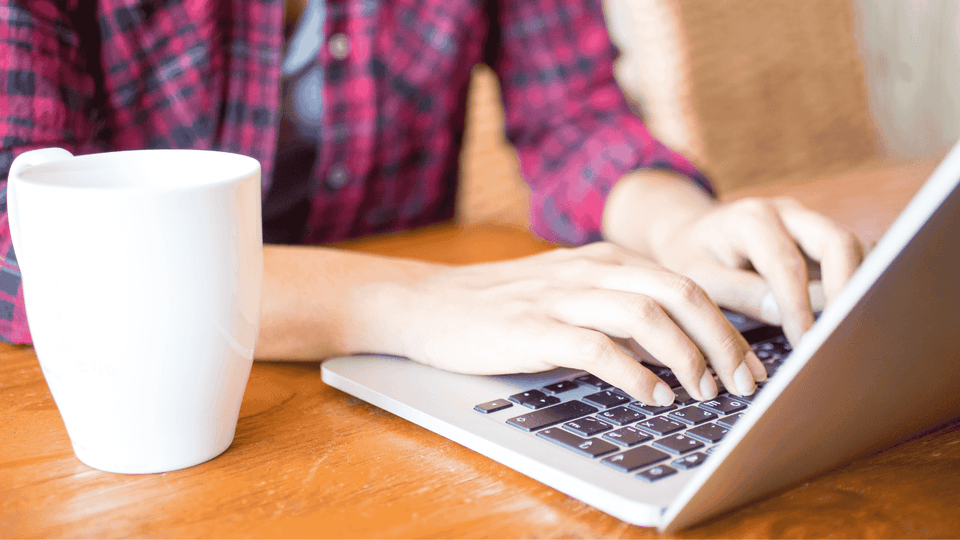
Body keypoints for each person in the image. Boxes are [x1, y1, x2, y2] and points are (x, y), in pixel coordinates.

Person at [0, 0, 863, 407]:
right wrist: (401, 300)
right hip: (120, 398)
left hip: (395, 390)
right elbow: (22, 242)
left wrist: (680, 225)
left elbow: (574, 117)